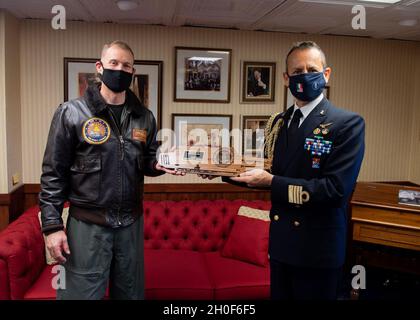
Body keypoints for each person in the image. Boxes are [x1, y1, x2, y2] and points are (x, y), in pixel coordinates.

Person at [216, 41, 365, 299]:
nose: (304, 76)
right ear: (286, 79)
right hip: (282, 247)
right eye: (297, 72)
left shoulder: (346, 124)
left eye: (311, 69)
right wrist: (219, 171)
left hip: (317, 251)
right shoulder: (279, 122)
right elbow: (264, 173)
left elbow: (335, 191)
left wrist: (272, 182)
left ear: (326, 74)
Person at [39, 40, 182, 300]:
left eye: (126, 66)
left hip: (130, 224)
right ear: (100, 67)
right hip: (87, 225)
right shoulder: (71, 112)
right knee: (80, 295)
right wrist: (52, 226)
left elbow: (148, 159)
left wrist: (161, 163)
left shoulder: (144, 116)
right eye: (114, 63)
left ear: (133, 73)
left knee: (130, 294)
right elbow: (53, 173)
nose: (120, 70)